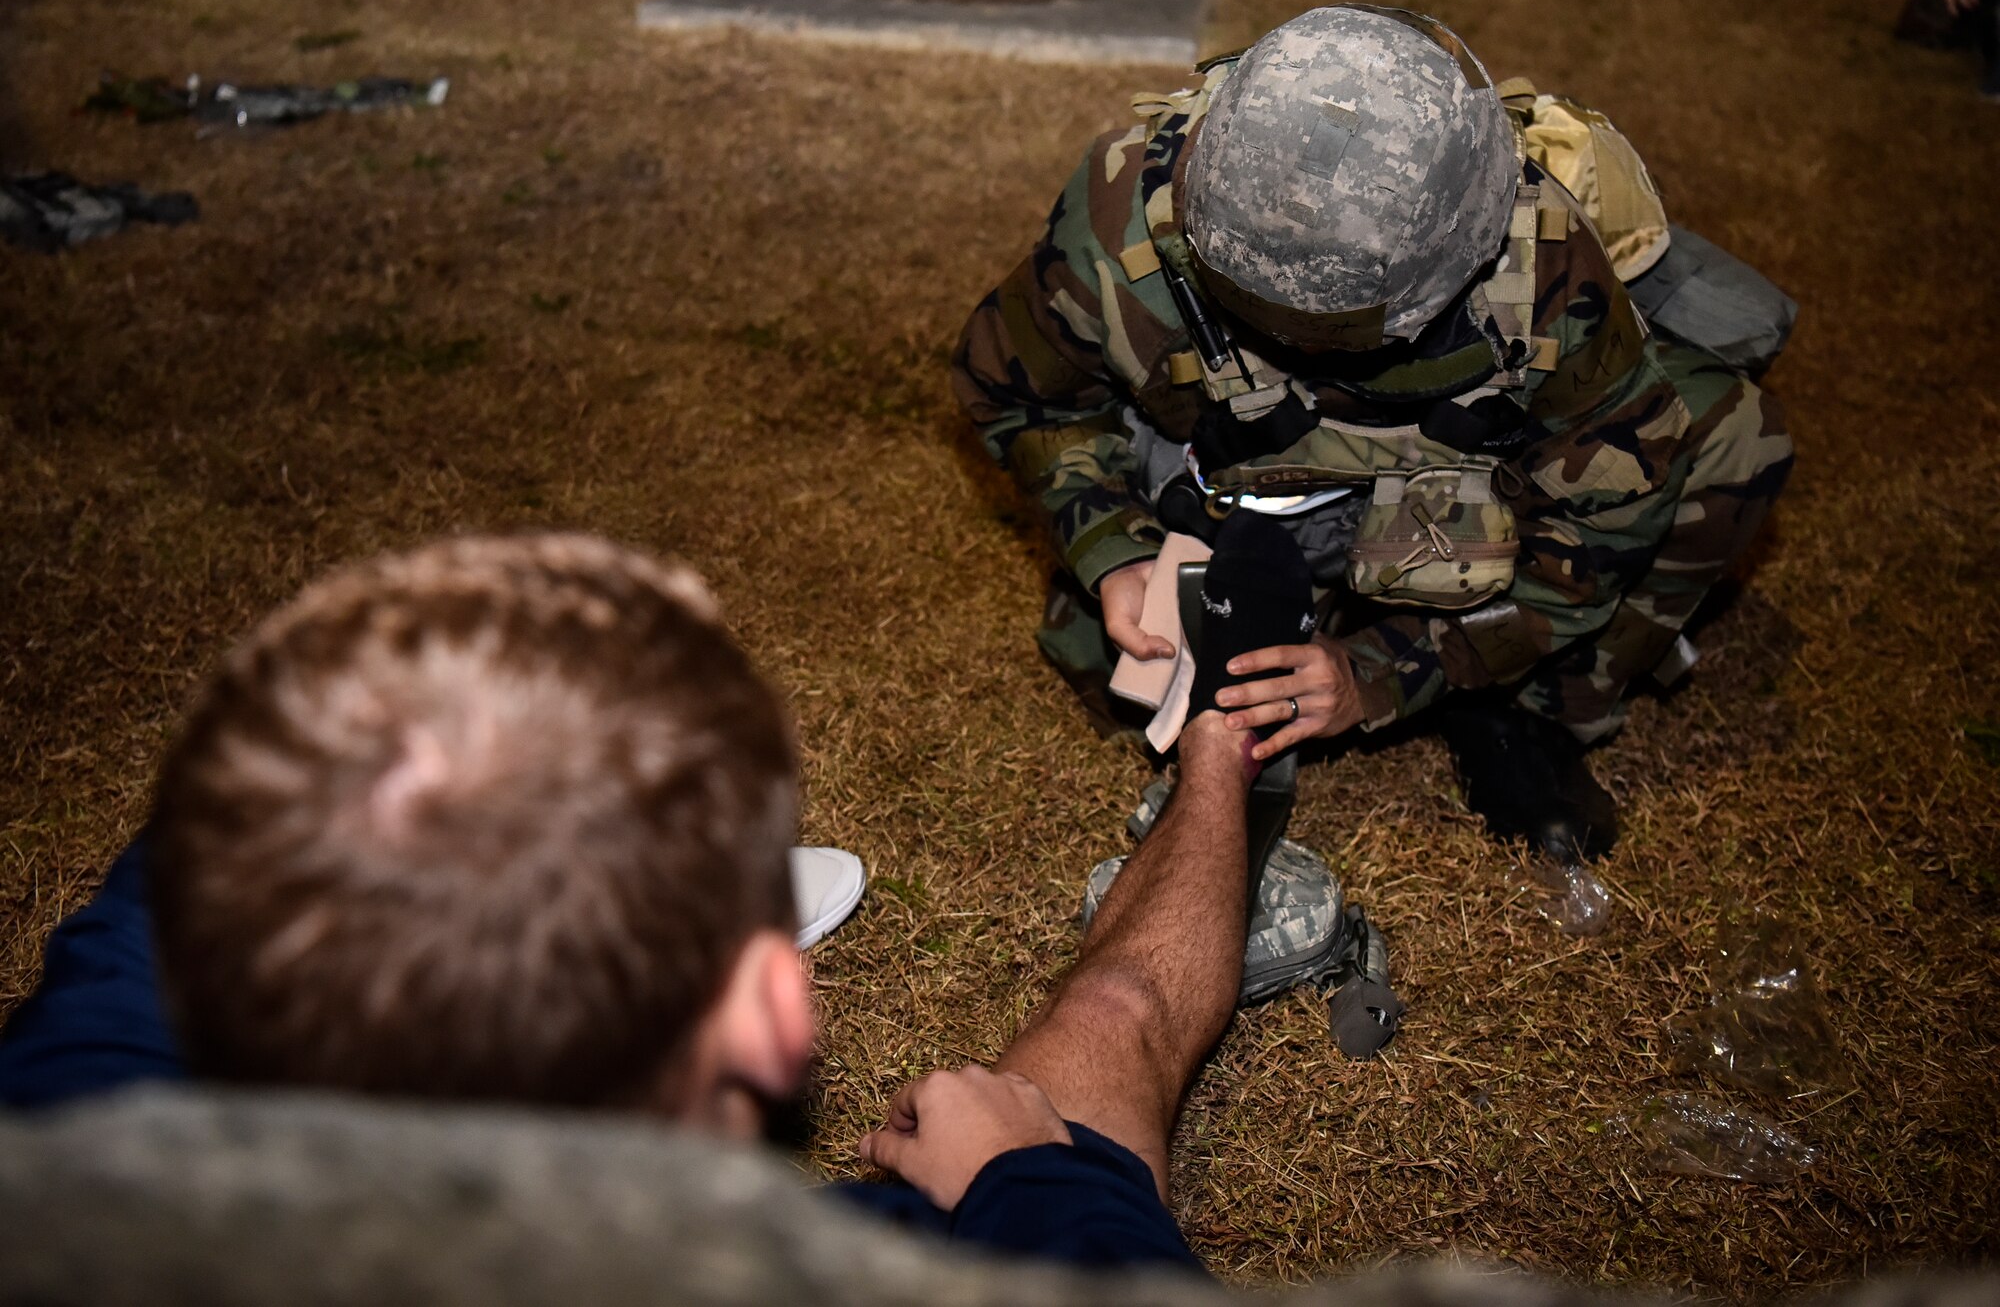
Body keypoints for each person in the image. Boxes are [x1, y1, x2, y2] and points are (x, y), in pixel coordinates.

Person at [0, 532, 1298, 1271]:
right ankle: (1221, 746)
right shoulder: (927, 1256)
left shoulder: (65, 1160)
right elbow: (1122, 1044)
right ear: (776, 1017)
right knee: (1115, 1017)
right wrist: (1025, 1178)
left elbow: (188, 868)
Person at [954, 4, 1795, 864]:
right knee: (1128, 682)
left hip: (1444, 508)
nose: (1290, 344)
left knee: (1732, 439)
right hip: (1225, 485)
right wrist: (1111, 544)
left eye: (1326, 330)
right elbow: (1019, 394)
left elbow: (1608, 513)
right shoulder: (1120, 210)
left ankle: (1530, 712)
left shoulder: (1538, 267)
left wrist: (1390, 669)